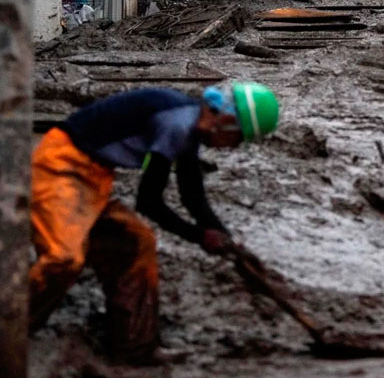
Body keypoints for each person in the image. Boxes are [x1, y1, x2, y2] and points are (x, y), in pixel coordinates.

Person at [29, 82, 279, 364]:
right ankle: (12, 324)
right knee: (63, 259)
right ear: (227, 122)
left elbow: (193, 196)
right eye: (237, 140)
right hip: (59, 166)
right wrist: (200, 236)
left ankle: (134, 350)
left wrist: (227, 240)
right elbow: (149, 202)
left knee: (136, 243)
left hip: (93, 176)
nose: (230, 148)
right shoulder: (176, 125)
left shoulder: (188, 121)